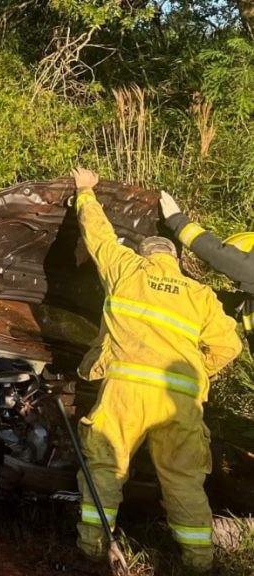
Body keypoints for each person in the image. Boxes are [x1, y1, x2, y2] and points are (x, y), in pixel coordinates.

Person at [71, 168, 242, 573]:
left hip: (126, 392)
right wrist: (197, 375)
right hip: (178, 400)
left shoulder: (128, 270)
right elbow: (229, 345)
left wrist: (84, 193)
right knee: (184, 481)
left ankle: (93, 549)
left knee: (106, 467)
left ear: (147, 253)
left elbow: (99, 237)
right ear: (176, 260)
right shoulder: (198, 294)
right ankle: (200, 561)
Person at [160, 191, 253, 352]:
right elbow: (227, 304)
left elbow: (219, 255)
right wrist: (184, 287)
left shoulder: (250, 269)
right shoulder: (249, 300)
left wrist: (176, 220)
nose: (236, 283)